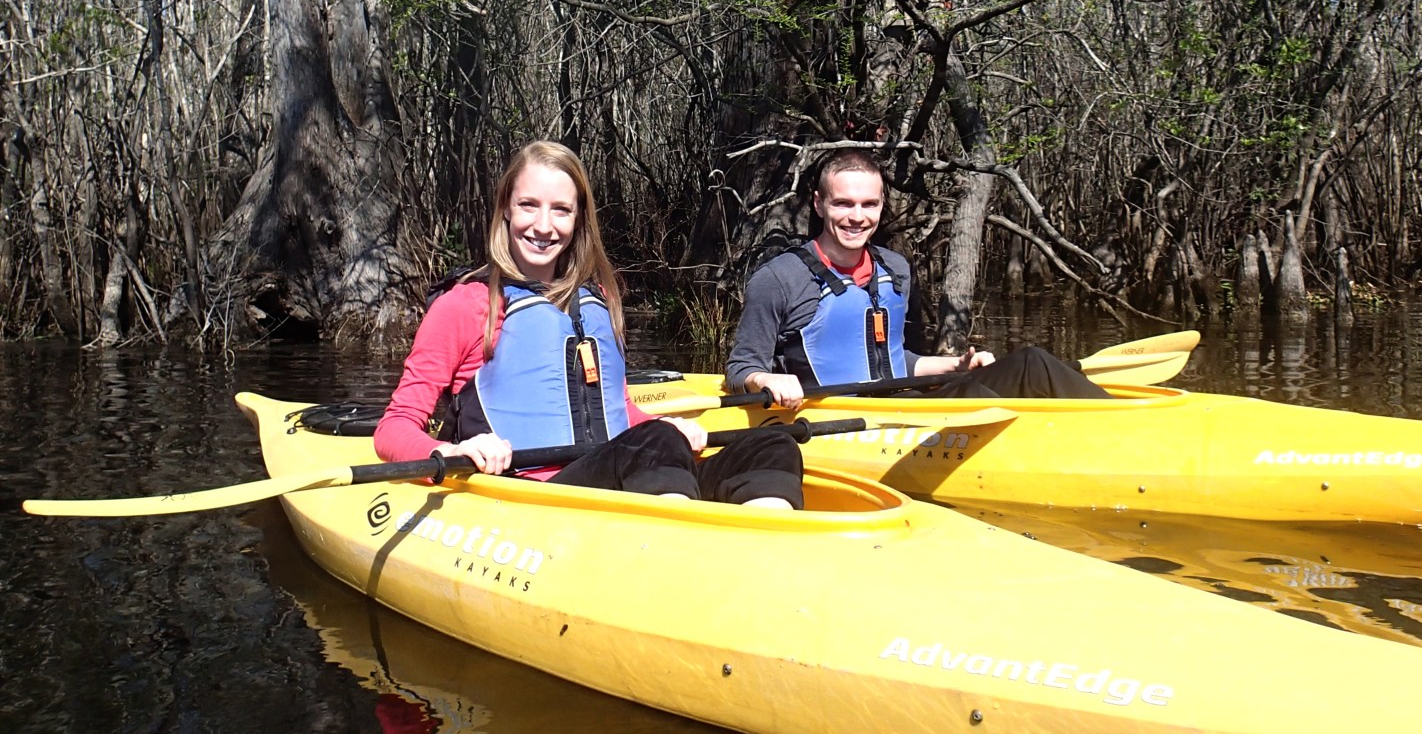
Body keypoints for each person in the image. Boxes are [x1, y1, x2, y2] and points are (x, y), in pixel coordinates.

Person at [376, 140, 803, 509]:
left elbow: (614, 411)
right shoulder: (466, 304)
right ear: (506, 208)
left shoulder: (600, 302)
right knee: (653, 443)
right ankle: (678, 551)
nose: (543, 226)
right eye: (528, 205)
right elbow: (394, 428)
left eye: (560, 210)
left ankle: (765, 556)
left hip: (613, 476)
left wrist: (662, 427)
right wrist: (451, 450)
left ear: (578, 218)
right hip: (534, 495)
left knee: (770, 445)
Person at [726, 149, 1113, 409]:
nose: (857, 217)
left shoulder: (895, 268)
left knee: (1032, 363)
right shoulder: (778, 278)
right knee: (987, 395)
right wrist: (765, 379)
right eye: (843, 203)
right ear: (819, 204)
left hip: (903, 404)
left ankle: (1132, 427)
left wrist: (954, 366)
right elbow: (740, 368)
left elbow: (893, 359)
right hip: (843, 419)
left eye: (869, 204)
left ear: (880, 205)